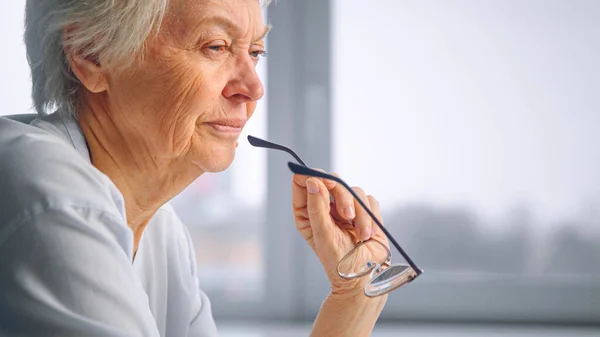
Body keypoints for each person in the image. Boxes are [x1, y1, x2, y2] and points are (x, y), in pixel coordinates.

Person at [0, 0, 390, 336]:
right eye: (216, 46)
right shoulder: (53, 200)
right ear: (91, 54)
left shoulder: (162, 235)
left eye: (255, 52)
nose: (253, 88)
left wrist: (354, 296)